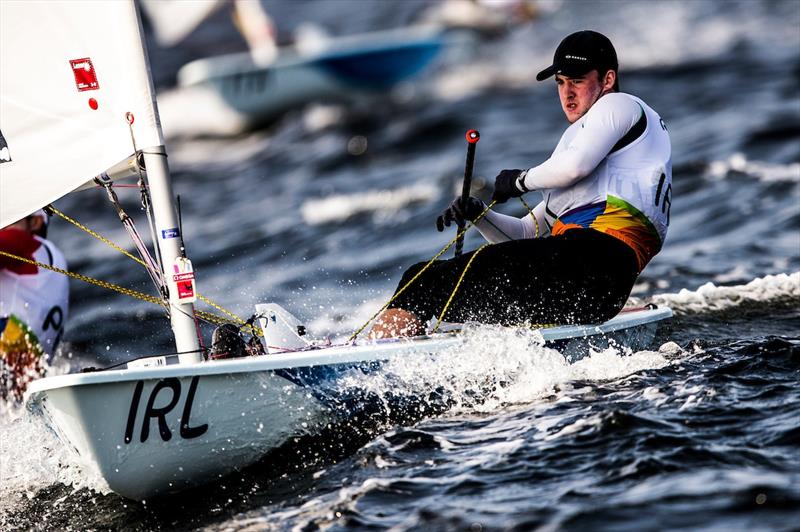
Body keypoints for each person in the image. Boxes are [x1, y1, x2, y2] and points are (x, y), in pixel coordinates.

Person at [371, 30, 672, 338]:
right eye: (560, 82)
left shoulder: (619, 105)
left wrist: (519, 181)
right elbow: (528, 233)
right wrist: (479, 215)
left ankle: (374, 364)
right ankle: (406, 351)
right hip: (596, 290)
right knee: (445, 296)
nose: (567, 93)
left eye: (577, 81)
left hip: (591, 263)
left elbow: (574, 167)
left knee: (420, 281)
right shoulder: (612, 169)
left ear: (608, 80)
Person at [0, 209, 69, 401]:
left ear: (36, 222)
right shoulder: (54, 258)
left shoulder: (26, 245)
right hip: (24, 380)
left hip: (11, 367)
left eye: (7, 219)